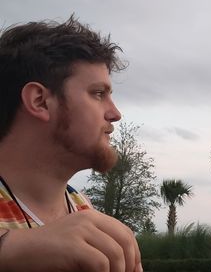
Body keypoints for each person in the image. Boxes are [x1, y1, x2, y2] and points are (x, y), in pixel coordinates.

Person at [0, 16, 143, 271]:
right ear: (40, 101)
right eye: (98, 94)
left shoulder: (83, 211)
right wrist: (12, 250)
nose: (115, 113)